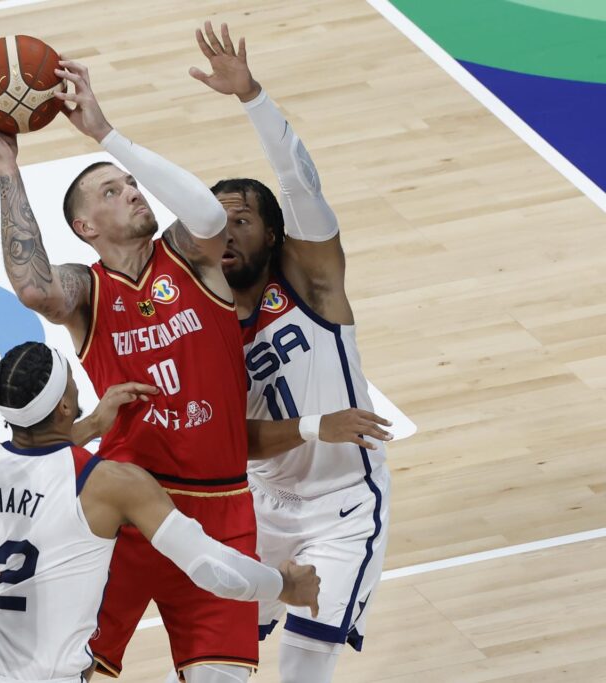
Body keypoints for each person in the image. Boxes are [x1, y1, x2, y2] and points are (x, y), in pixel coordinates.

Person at [0, 55, 264, 682]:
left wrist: (104, 133)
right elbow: (33, 285)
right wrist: (5, 165)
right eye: (110, 191)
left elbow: (208, 215)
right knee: (69, 672)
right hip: (119, 510)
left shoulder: (190, 258)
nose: (130, 192)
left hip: (223, 507)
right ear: (85, 226)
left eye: (130, 184)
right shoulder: (88, 291)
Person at [0, 342, 320, 683]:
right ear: (63, 406)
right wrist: (284, 585)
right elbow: (213, 569)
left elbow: (36, 463)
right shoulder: (114, 485)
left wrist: (95, 424)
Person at [189, 22, 394, 683]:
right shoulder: (202, 321)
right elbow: (234, 441)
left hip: (343, 504)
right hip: (260, 506)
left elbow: (301, 184)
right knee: (212, 662)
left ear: (273, 235)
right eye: (216, 221)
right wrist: (314, 425)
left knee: (304, 668)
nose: (226, 231)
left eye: (241, 219)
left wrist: (253, 98)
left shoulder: (312, 283)